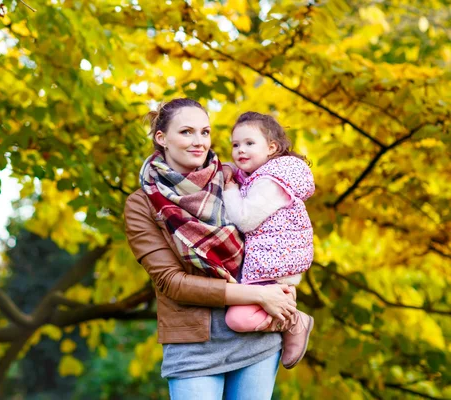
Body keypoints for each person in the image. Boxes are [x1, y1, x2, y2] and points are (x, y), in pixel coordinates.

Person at [124, 99, 297, 400]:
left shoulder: (235, 178)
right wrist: (258, 294)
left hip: (255, 334)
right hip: (193, 346)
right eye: (187, 132)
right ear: (161, 138)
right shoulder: (142, 203)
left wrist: (284, 286)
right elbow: (171, 282)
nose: (199, 142)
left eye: (205, 132)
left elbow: (282, 232)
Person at [223, 111, 315, 369]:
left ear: (272, 147)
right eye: (235, 145)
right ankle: (287, 313)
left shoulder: (271, 181)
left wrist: (229, 188)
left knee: (237, 320)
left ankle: (294, 321)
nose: (241, 150)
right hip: (269, 263)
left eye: (249, 143)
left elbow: (245, 219)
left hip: (274, 266)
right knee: (237, 314)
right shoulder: (258, 175)